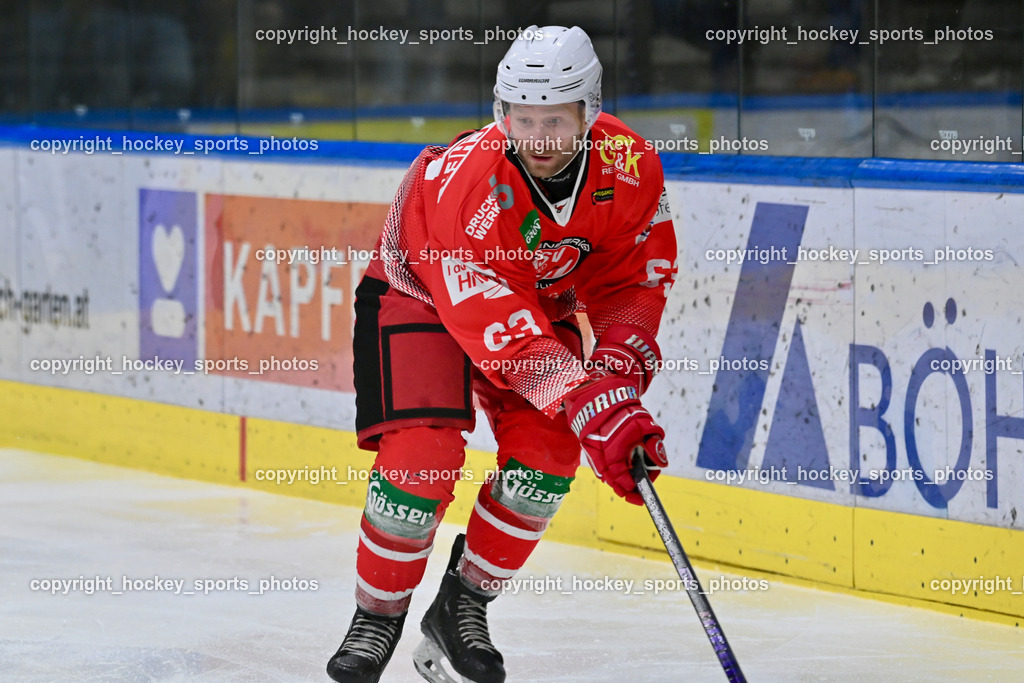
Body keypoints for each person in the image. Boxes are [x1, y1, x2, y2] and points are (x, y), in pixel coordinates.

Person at [327, 24, 677, 683]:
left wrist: (616, 375)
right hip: (421, 293)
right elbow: (500, 332)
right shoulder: (472, 187)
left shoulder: (631, 167)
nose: (538, 138)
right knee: (422, 457)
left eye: (555, 120)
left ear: (589, 112)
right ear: (501, 113)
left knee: (550, 453)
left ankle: (463, 603)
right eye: (523, 119)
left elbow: (633, 281)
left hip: (537, 304)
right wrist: (590, 401)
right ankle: (377, 613)